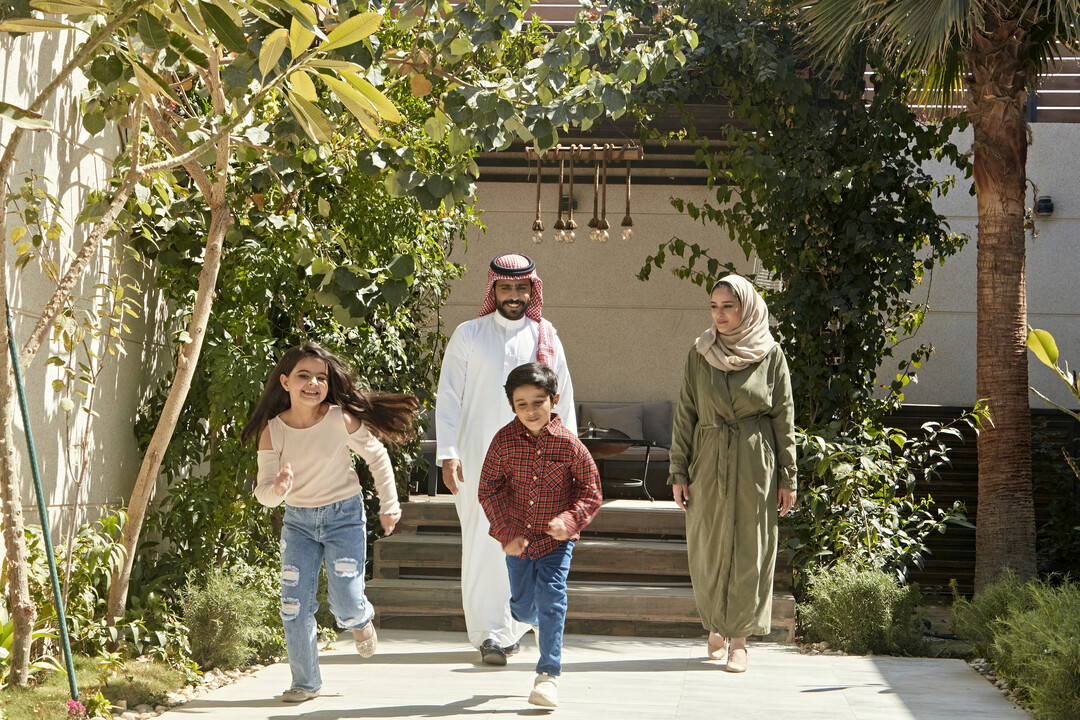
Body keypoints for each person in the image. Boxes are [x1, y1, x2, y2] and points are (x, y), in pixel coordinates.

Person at [241, 342, 418, 702]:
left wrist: (390, 504)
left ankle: (360, 620)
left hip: (344, 518)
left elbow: (377, 456)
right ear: (285, 382)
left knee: (347, 602)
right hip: (299, 523)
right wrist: (278, 489)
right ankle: (305, 683)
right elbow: (263, 493)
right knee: (293, 605)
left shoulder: (340, 418)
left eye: (320, 377)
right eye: (303, 376)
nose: (313, 384)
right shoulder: (273, 431)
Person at [435, 253, 577, 665]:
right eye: (505, 288)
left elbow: (562, 401)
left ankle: (514, 628)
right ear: (493, 290)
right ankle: (487, 635)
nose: (514, 296)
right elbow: (449, 398)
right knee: (483, 542)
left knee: (529, 541)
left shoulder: (545, 334)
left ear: (531, 290)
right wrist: (447, 453)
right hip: (478, 458)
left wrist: (565, 461)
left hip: (537, 463)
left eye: (521, 288)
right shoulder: (468, 334)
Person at [668, 274, 797, 674]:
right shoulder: (699, 353)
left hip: (755, 461)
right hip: (707, 460)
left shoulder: (770, 354)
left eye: (728, 306)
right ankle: (714, 627)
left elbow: (783, 417)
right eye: (714, 306)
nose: (720, 315)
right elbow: (685, 412)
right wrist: (678, 470)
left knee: (750, 546)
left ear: (747, 308)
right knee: (707, 543)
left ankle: (739, 640)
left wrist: (788, 477)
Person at [478, 363, 602, 708]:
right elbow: (489, 489)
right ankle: (536, 622)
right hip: (517, 542)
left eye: (538, 402)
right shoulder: (503, 441)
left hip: (555, 544)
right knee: (521, 607)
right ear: (512, 406)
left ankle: (548, 675)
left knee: (551, 598)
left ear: (554, 400)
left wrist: (569, 520)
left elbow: (591, 491)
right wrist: (505, 533)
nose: (531, 411)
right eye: (522, 404)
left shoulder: (570, 445)